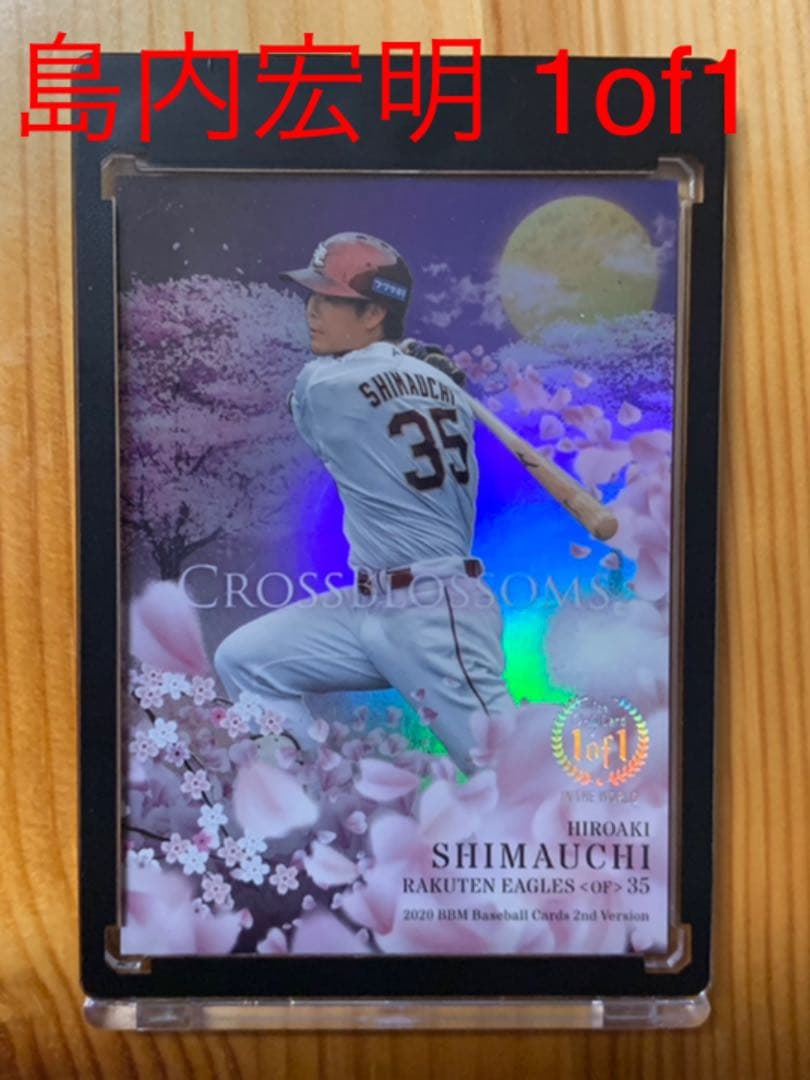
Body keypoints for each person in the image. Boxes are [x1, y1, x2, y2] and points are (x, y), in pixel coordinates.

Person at [214, 232, 513, 774]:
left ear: (374, 312)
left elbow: (317, 405)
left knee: (510, 772)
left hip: (434, 608)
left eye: (330, 298)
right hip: (372, 602)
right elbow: (396, 387)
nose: (312, 310)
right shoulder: (449, 390)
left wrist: (401, 359)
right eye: (313, 296)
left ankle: (595, 830)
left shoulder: (323, 385)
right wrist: (416, 364)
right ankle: (303, 805)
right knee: (246, 660)